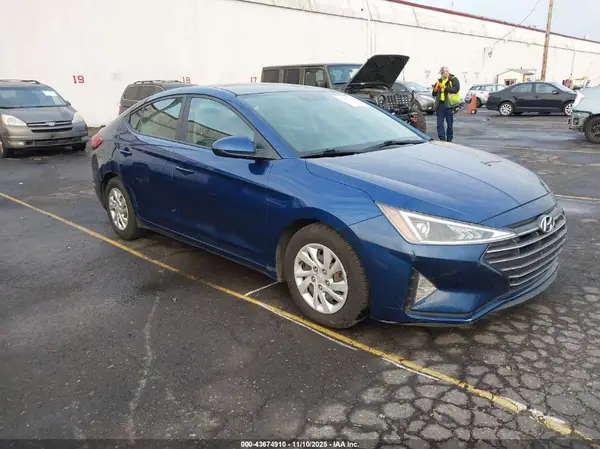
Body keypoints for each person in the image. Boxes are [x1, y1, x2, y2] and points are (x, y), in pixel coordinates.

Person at [431, 66, 461, 142]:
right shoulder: (439, 81)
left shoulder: (453, 79)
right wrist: (435, 90)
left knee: (449, 124)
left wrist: (445, 87)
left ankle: (449, 139)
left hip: (449, 105)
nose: (441, 75)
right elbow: (434, 94)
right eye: (441, 73)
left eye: (442, 73)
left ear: (447, 72)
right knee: (439, 124)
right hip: (440, 105)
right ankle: (442, 139)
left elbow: (456, 89)